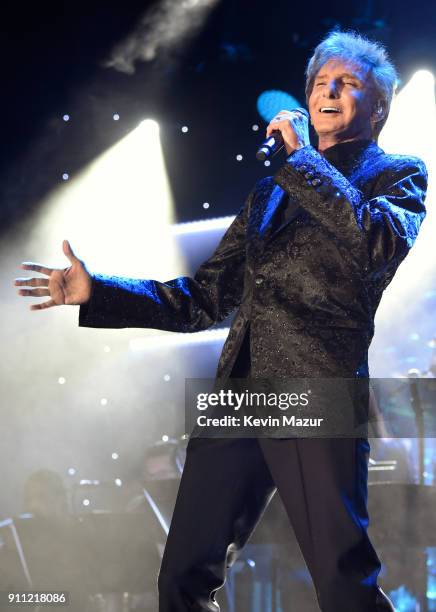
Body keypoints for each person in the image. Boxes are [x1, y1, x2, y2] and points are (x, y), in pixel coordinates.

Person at [15, 29, 428, 611]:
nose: (327, 91)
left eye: (348, 83)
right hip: (239, 391)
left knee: (341, 582)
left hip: (317, 389)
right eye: (319, 83)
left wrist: (304, 160)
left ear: (378, 107)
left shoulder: (397, 174)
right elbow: (204, 298)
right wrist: (96, 293)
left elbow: (374, 244)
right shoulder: (270, 193)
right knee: (182, 577)